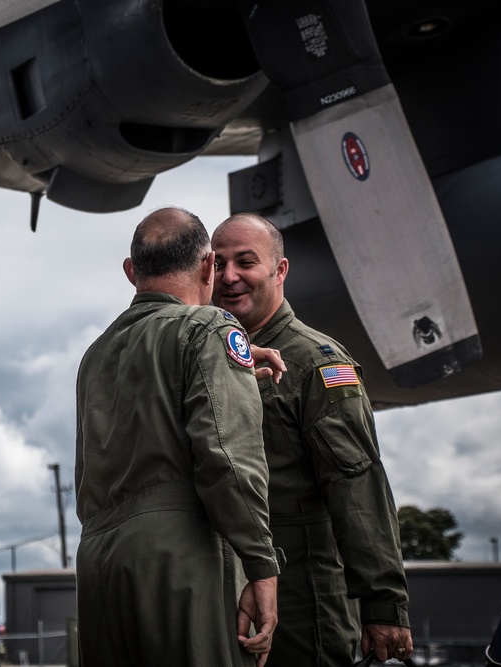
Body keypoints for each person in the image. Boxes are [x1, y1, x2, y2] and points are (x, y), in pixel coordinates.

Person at [75, 207, 283, 667]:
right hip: (180, 561)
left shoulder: (97, 353)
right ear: (209, 265)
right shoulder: (210, 328)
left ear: (132, 272)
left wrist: (237, 374)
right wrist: (262, 566)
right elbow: (228, 458)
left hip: (98, 568)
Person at [211, 212, 413, 665]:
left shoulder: (314, 363)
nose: (229, 277)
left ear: (279, 271)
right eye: (217, 263)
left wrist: (384, 604)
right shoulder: (211, 359)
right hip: (228, 590)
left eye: (246, 262)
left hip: (303, 597)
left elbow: (356, 482)